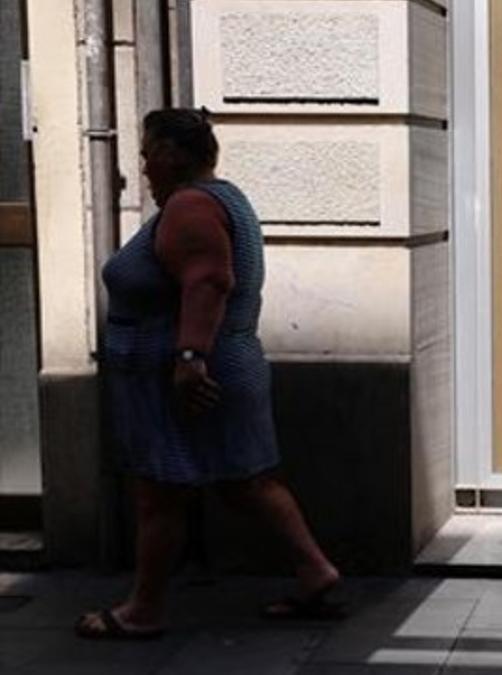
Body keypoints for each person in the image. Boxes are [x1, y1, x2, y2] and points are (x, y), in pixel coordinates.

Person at [76, 109, 341, 640]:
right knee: (247, 481)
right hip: (225, 361)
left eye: (149, 151)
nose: (144, 164)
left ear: (174, 154)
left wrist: (190, 357)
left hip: (194, 373)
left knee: (160, 489)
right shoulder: (223, 197)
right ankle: (315, 571)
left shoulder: (192, 206)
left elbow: (208, 281)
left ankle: (144, 610)